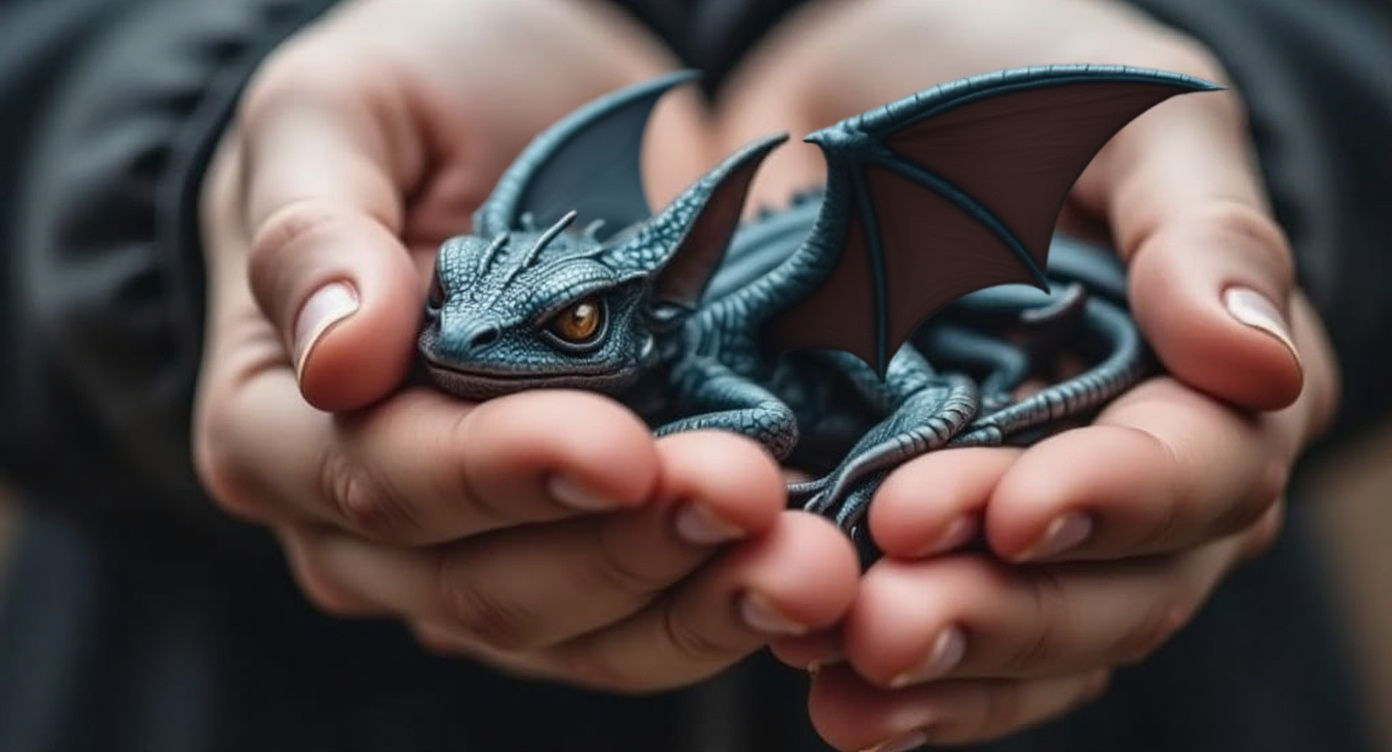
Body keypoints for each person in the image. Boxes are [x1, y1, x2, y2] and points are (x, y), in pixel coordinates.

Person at [0, 0, 1385, 750]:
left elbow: (766, 415)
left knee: (919, 388)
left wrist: (1252, 113)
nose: (457, 345)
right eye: (450, 303)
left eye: (578, 339)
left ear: (634, 335)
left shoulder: (705, 355)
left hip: (1165, 682)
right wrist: (184, 184)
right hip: (183, 680)